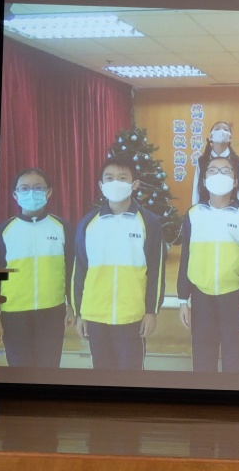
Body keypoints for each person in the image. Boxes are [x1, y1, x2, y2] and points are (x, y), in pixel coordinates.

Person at [73, 156, 166, 370]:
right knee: (102, 374)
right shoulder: (88, 223)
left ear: (135, 184)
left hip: (132, 316)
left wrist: (151, 311)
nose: (115, 182)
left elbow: (157, 270)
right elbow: (80, 271)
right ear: (101, 185)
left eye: (122, 178)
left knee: (131, 375)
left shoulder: (149, 222)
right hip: (95, 315)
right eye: (110, 178)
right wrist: (79, 313)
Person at [178, 155, 239, 373]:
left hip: (234, 297)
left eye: (226, 171)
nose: (219, 175)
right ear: (204, 181)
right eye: (213, 171)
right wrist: (183, 299)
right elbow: (186, 257)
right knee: (203, 361)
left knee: (235, 360)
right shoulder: (193, 214)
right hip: (201, 297)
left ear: (235, 181)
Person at [0, 168, 74, 367]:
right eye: (24, 188)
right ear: (15, 194)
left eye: (38, 188)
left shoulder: (62, 228)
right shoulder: (4, 231)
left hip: (52, 312)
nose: (31, 193)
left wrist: (72, 306)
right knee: (20, 370)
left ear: (49, 192)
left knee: (49, 370)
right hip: (14, 314)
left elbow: (71, 270)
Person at [191, 121, 239, 206]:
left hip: (230, 208)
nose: (221, 132)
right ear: (211, 137)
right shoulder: (202, 161)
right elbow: (196, 188)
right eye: (217, 129)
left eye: (225, 130)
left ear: (230, 138)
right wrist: (195, 207)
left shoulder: (237, 161)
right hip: (205, 207)